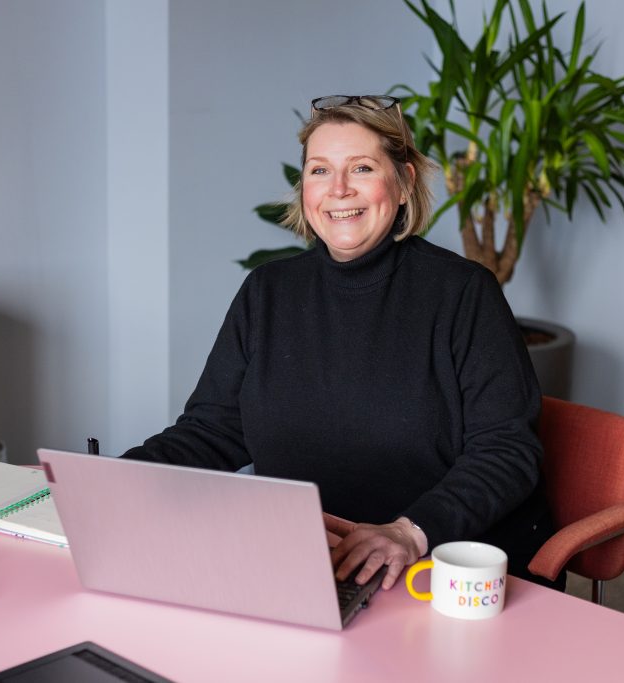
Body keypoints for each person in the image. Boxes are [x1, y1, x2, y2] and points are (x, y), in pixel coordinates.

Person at [124, 95, 561, 592]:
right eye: (319, 170)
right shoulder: (268, 291)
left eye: (362, 168)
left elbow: (506, 450)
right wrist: (111, 480)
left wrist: (408, 532)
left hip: (443, 569)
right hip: (310, 561)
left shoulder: (463, 293)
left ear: (404, 184)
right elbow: (214, 429)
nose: (338, 189)